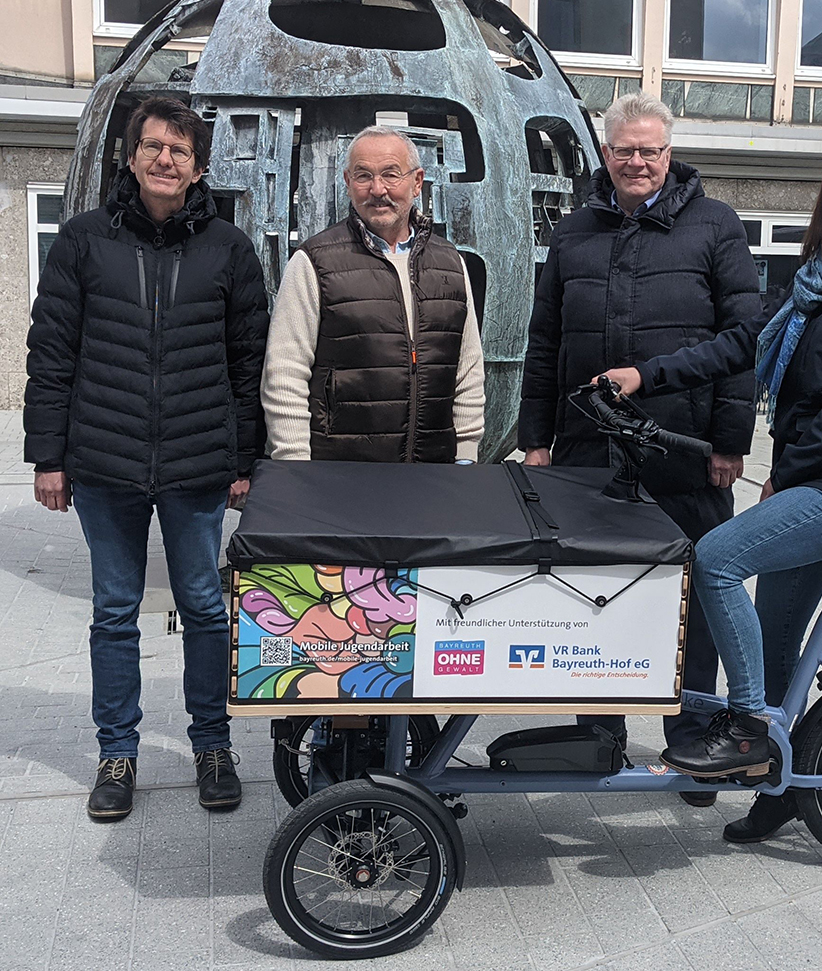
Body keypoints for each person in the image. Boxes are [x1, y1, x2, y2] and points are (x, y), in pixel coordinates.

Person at [600, 135, 822, 842]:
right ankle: (783, 787)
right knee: (779, 631)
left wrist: (785, 473)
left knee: (717, 557)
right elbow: (738, 344)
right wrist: (646, 375)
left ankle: (750, 726)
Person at [24, 96, 268, 821]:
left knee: (201, 607)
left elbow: (246, 361)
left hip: (197, 464)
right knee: (115, 612)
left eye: (181, 151)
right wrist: (47, 456)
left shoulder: (229, 248)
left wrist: (244, 457)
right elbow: (52, 351)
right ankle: (118, 753)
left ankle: (212, 746)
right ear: (130, 157)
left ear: (198, 170)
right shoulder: (81, 241)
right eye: (154, 146)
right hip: (104, 462)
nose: (166, 160)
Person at [518, 91, 761, 806]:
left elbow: (744, 340)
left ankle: (697, 732)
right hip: (589, 451)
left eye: (649, 150)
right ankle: (598, 729)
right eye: (623, 148)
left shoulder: (714, 226)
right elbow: (545, 342)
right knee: (594, 592)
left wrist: (730, 439)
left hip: (684, 446)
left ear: (669, 153)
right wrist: (535, 438)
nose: (635, 161)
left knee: (698, 590)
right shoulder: (573, 232)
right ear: (606, 151)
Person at [261, 125, 484, 463]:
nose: (378, 189)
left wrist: (466, 453)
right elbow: (285, 373)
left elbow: (467, 369)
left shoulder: (450, 262)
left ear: (417, 181)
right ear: (348, 183)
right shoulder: (315, 262)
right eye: (364, 176)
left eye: (391, 175)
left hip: (433, 469)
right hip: (339, 471)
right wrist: (294, 464)